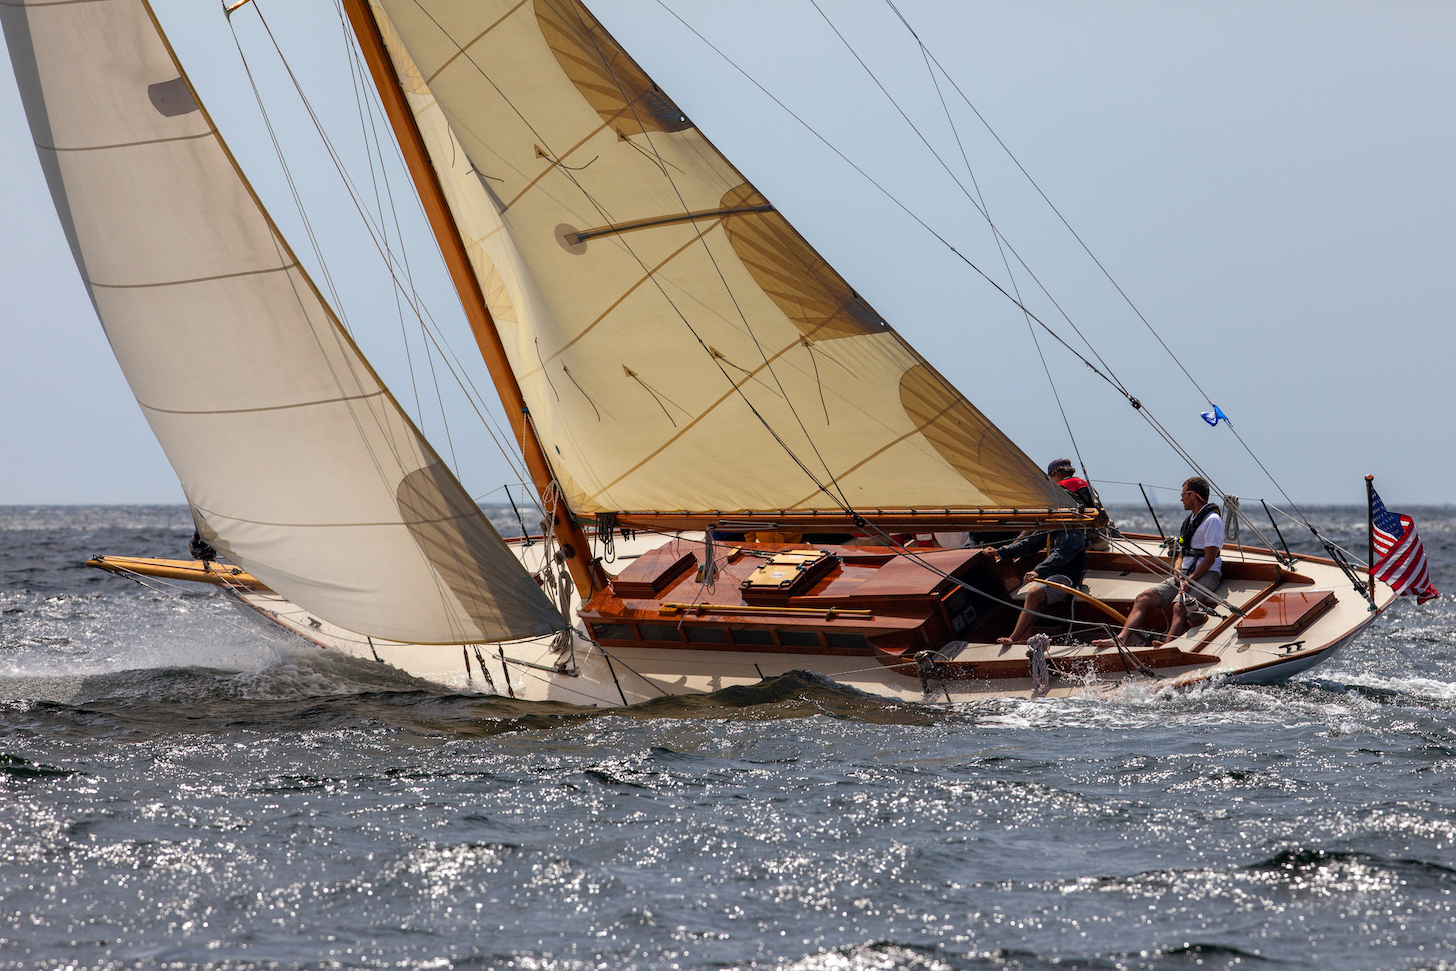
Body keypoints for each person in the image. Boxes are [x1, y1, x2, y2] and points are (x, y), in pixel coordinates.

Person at [1095, 476, 1224, 648]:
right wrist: (1178, 572)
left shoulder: (1212, 521)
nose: (1181, 499)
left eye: (1183, 494)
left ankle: (1166, 647)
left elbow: (1209, 559)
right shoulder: (1190, 521)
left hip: (1207, 574)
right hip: (1186, 575)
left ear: (1193, 495)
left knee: (1179, 606)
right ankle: (1121, 639)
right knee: (1143, 598)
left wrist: (1189, 580)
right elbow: (1181, 553)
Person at [976, 461, 1092, 645]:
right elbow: (1028, 544)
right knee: (1033, 597)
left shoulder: (1073, 530)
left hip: (1067, 577)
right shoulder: (1053, 526)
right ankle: (1024, 643)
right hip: (1052, 576)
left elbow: (1061, 554)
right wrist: (1000, 552)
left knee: (1033, 594)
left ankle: (1013, 639)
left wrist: (1038, 571)